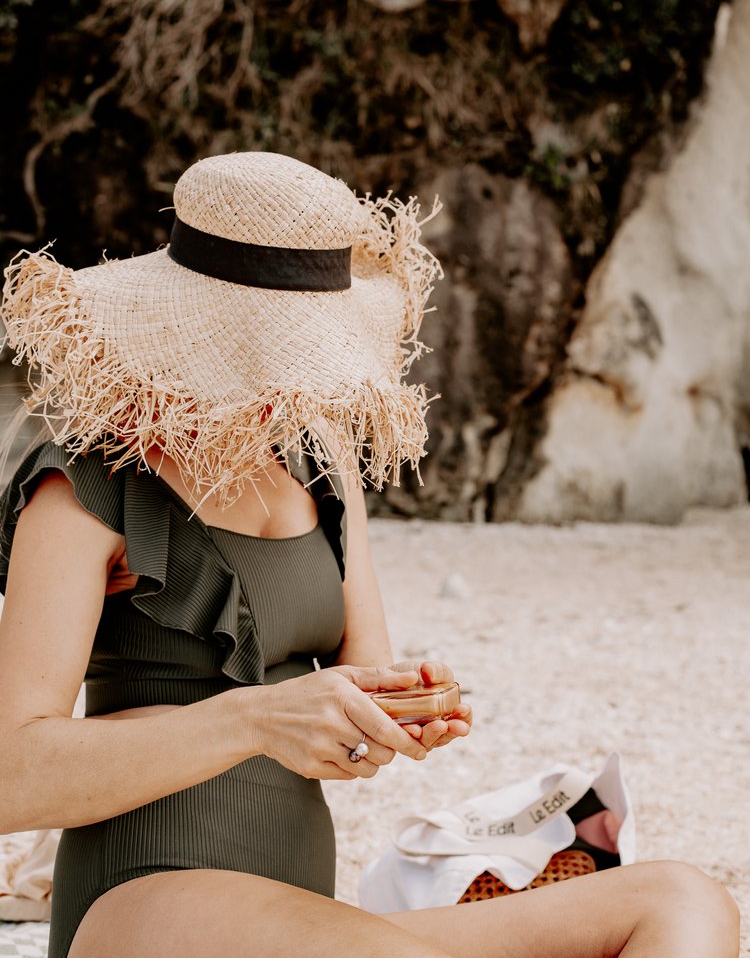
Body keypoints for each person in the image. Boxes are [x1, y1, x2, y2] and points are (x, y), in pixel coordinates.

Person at [0, 151, 739, 958]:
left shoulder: (319, 461)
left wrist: (404, 712)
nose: (290, 384)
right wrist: (252, 718)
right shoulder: (84, 488)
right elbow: (13, 775)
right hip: (144, 905)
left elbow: (362, 705)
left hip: (312, 924)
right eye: (264, 350)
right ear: (189, 331)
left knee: (680, 900)